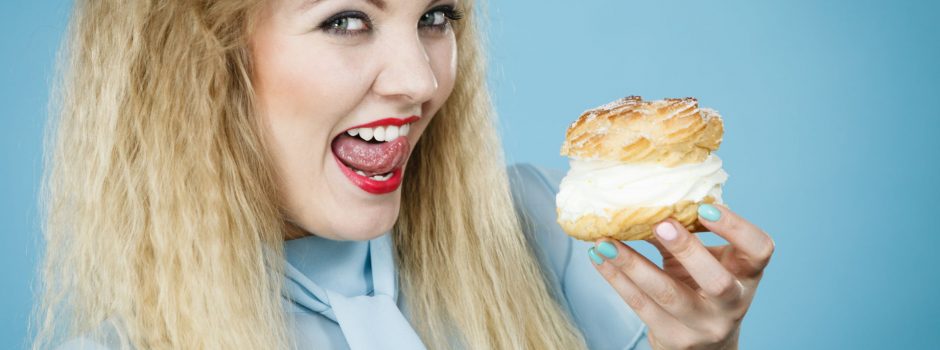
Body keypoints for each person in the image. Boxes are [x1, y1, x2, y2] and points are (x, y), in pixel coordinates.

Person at [33, 0, 775, 349]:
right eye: (347, 19)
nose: (421, 81)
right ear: (198, 60)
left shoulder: (538, 228)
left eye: (438, 15)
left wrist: (706, 348)